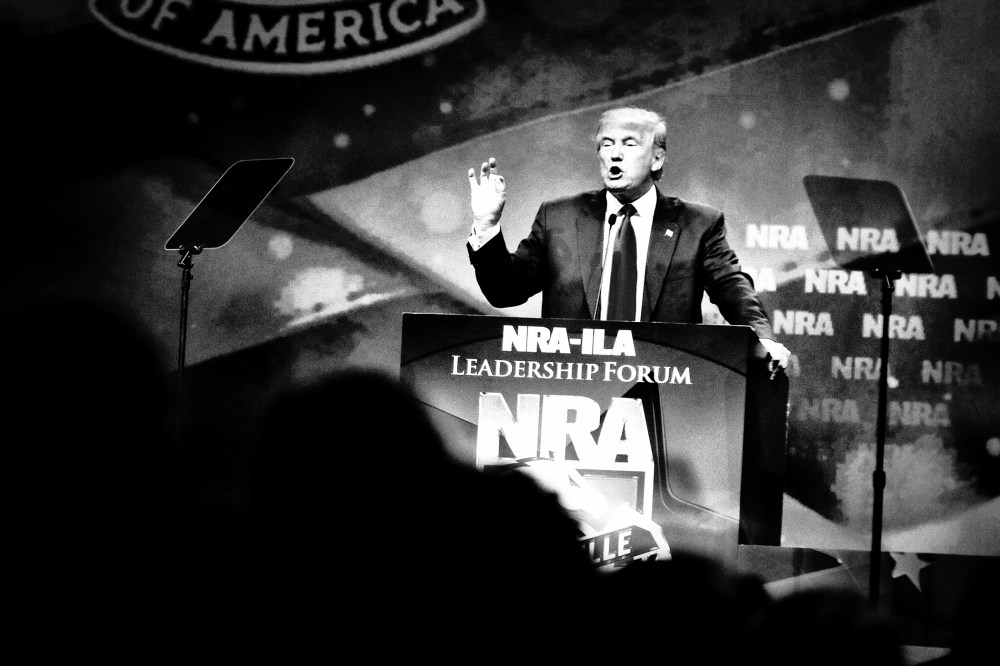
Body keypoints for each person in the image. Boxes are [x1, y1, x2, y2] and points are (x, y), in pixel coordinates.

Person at [466, 105, 791, 377]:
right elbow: (505, 292)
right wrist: (487, 225)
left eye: (629, 144)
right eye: (606, 144)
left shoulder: (698, 225)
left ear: (657, 159)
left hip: (661, 386)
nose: (614, 155)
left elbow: (732, 288)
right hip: (569, 386)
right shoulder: (560, 218)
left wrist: (764, 340)